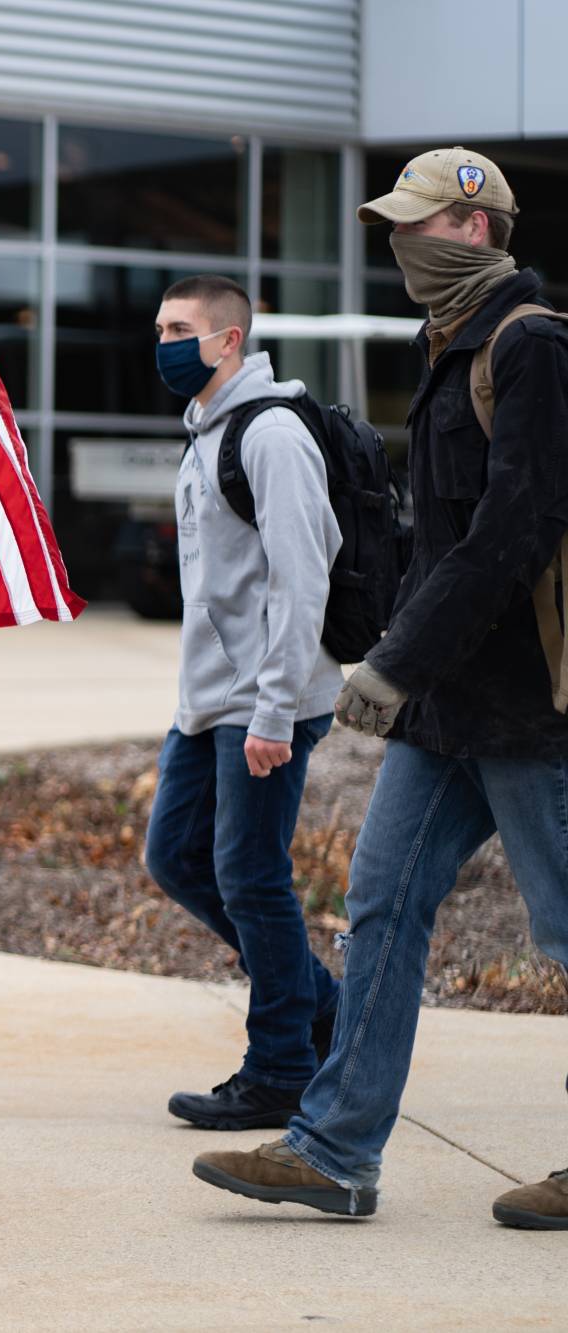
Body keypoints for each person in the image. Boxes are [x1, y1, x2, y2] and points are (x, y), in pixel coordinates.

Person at [193, 147, 568, 1226]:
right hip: (448, 705)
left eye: (419, 225)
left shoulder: (528, 347)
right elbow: (440, 533)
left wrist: (399, 659)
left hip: (526, 705)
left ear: (475, 228)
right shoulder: (447, 345)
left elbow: (517, 526)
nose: (400, 246)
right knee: (379, 907)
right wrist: (388, 639)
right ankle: (333, 1151)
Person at [143, 274, 343, 1130]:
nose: (164, 344)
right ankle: (320, 1006)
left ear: (228, 341)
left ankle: (281, 1070)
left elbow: (304, 579)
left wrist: (274, 709)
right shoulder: (204, 435)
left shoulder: (271, 435)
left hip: (267, 701)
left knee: (252, 877)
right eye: (159, 328)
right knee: (175, 857)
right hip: (209, 703)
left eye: (180, 328)